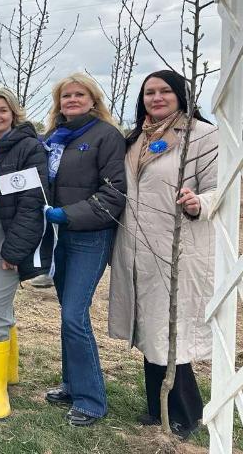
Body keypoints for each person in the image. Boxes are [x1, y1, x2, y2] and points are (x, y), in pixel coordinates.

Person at [108, 70, 217, 440]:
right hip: (137, 247)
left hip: (177, 246)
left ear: (181, 95)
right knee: (151, 330)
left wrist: (197, 202)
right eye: (149, 92)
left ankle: (184, 415)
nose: (156, 98)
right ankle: (158, 410)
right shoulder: (135, 138)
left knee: (171, 331)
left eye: (165, 91)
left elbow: (222, 188)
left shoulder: (203, 136)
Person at [41, 72, 126, 427]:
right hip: (58, 237)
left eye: (79, 94)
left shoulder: (106, 136)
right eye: (66, 96)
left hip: (89, 235)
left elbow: (115, 192)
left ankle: (92, 399)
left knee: (74, 314)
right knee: (67, 313)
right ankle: (72, 383)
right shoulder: (52, 139)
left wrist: (68, 215)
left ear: (93, 100)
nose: (72, 100)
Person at [0, 87, 49, 419]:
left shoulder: (28, 148)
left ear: (13, 113)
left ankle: (0, 389)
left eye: (2, 110)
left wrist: (15, 250)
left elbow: (32, 204)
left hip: (10, 236)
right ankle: (8, 371)